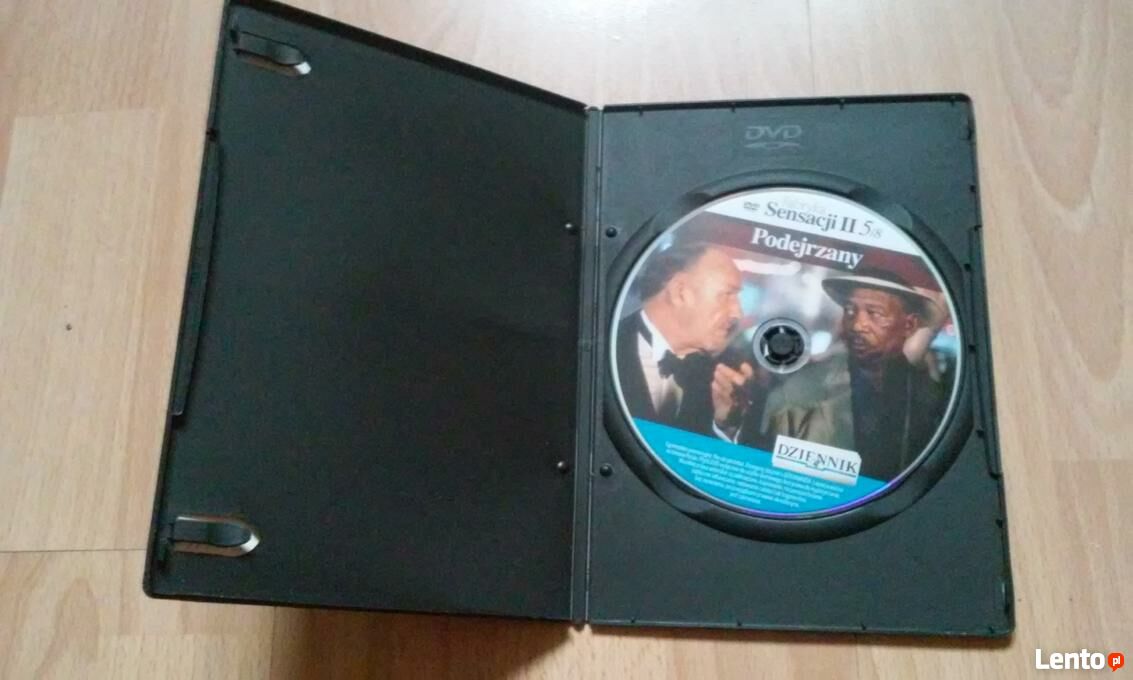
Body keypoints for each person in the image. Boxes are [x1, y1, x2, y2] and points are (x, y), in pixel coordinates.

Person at [755, 270, 951, 480]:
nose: (857, 325)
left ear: (909, 325)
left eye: (875, 314)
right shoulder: (796, 391)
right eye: (850, 311)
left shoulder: (934, 400)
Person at [615, 243, 754, 437]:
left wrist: (725, 426)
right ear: (679, 292)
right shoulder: (603, 345)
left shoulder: (727, 378)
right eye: (727, 294)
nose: (738, 313)